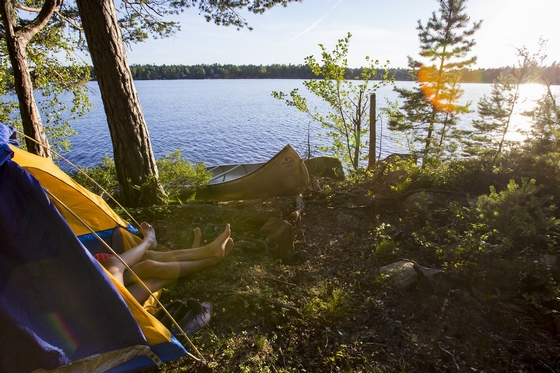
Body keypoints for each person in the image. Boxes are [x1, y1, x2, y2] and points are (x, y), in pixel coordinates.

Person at [96, 222, 233, 304]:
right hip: (104, 291)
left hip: (100, 277)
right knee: (143, 265)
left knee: (148, 259)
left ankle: (209, 253)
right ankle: (211, 257)